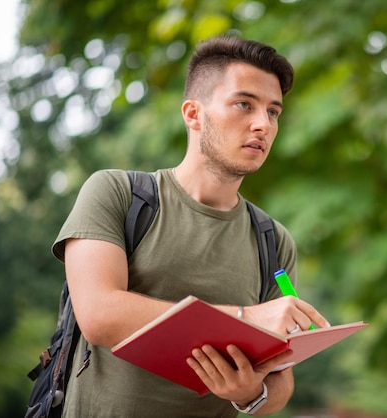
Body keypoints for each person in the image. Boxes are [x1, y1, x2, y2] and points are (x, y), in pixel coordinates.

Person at [51, 35, 330, 417]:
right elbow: (99, 314)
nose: (262, 124)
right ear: (193, 114)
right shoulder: (118, 193)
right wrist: (245, 319)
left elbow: (281, 380)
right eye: (244, 104)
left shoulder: (273, 241)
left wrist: (251, 393)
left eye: (273, 112)